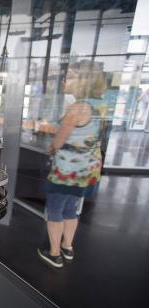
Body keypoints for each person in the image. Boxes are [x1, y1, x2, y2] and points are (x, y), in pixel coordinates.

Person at [38, 62, 106, 268]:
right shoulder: (99, 104)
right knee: (70, 209)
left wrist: (51, 147)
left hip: (67, 171)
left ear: (84, 82)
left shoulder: (77, 107)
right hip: (86, 170)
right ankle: (68, 247)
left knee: (55, 209)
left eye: (71, 77)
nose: (65, 81)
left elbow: (59, 140)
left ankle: (54, 253)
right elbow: (87, 134)